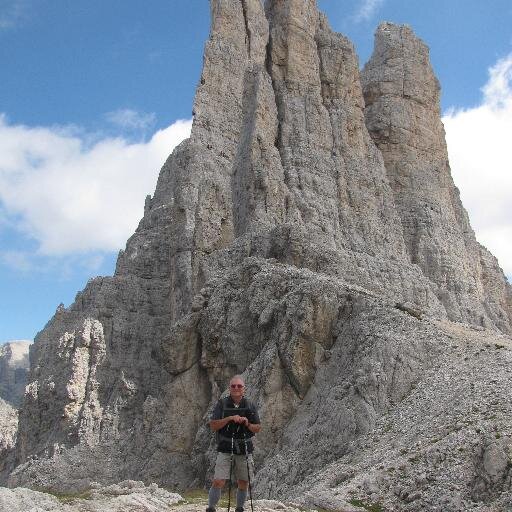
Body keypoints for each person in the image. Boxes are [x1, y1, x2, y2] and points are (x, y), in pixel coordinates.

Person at [206, 375, 261, 512]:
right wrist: (230, 418)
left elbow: (257, 428)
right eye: (233, 386)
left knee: (243, 481)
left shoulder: (250, 405)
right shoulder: (222, 404)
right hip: (225, 448)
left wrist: (247, 423)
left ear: (244, 389)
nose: (236, 388)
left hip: (244, 448)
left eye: (239, 386)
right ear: (229, 388)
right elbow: (213, 425)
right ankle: (211, 508)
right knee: (219, 480)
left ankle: (239, 508)